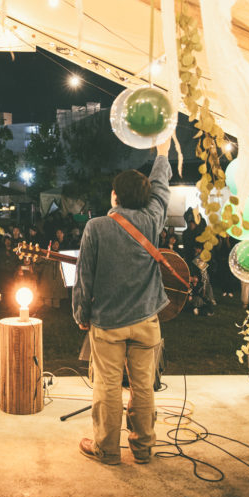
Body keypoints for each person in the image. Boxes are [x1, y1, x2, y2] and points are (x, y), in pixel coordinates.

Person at [72, 139, 170, 465]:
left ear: (115, 196)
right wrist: (163, 154)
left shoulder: (96, 227)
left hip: (108, 323)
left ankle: (107, 450)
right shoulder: (153, 220)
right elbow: (161, 187)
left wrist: (81, 314)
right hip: (146, 321)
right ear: (146, 198)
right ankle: (143, 449)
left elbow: (84, 277)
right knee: (144, 387)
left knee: (108, 387)